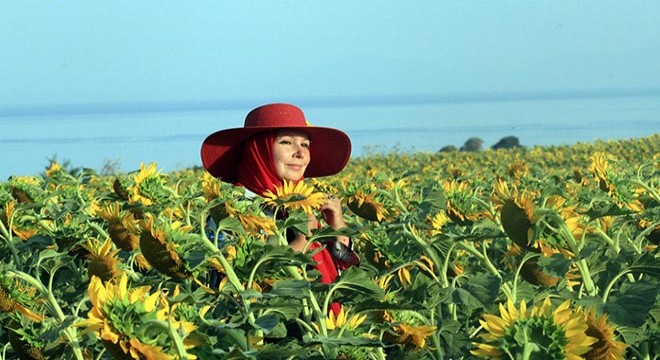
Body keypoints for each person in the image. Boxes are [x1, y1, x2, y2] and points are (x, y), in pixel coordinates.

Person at [200, 103, 359, 314]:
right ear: (259, 150)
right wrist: (304, 240)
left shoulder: (303, 203)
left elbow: (336, 279)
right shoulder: (230, 212)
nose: (300, 153)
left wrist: (337, 229)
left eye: (305, 145)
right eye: (286, 142)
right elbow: (230, 288)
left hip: (319, 329)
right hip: (263, 337)